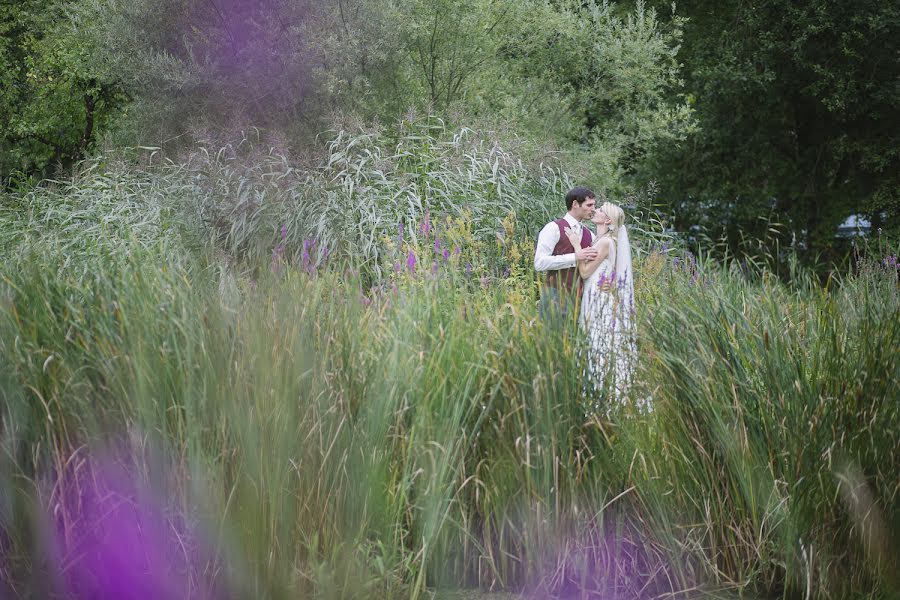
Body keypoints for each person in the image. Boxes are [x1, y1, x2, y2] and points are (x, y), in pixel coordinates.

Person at [564, 201, 645, 412]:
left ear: (607, 220)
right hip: (596, 294)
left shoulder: (606, 242)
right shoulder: (600, 239)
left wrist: (575, 245)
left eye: (599, 210)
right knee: (598, 342)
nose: (595, 211)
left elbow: (585, 273)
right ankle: (599, 394)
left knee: (596, 342)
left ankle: (600, 399)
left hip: (597, 297)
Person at [533, 187, 599, 323]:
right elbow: (539, 263)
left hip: (580, 298)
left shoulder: (590, 235)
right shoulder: (553, 228)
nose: (593, 209)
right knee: (551, 341)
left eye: (594, 205)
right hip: (555, 295)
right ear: (575, 204)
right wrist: (575, 257)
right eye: (589, 205)